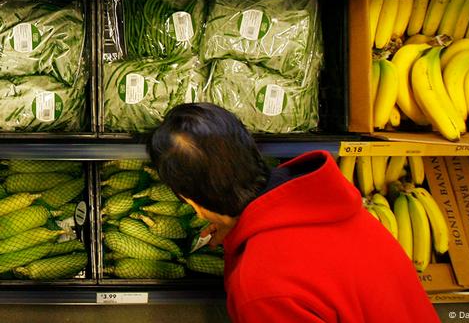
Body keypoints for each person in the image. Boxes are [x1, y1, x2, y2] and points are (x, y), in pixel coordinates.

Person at [147, 102, 440, 323]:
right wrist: (238, 234)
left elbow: (279, 280)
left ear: (191, 202)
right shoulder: (331, 206)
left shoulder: (261, 288)